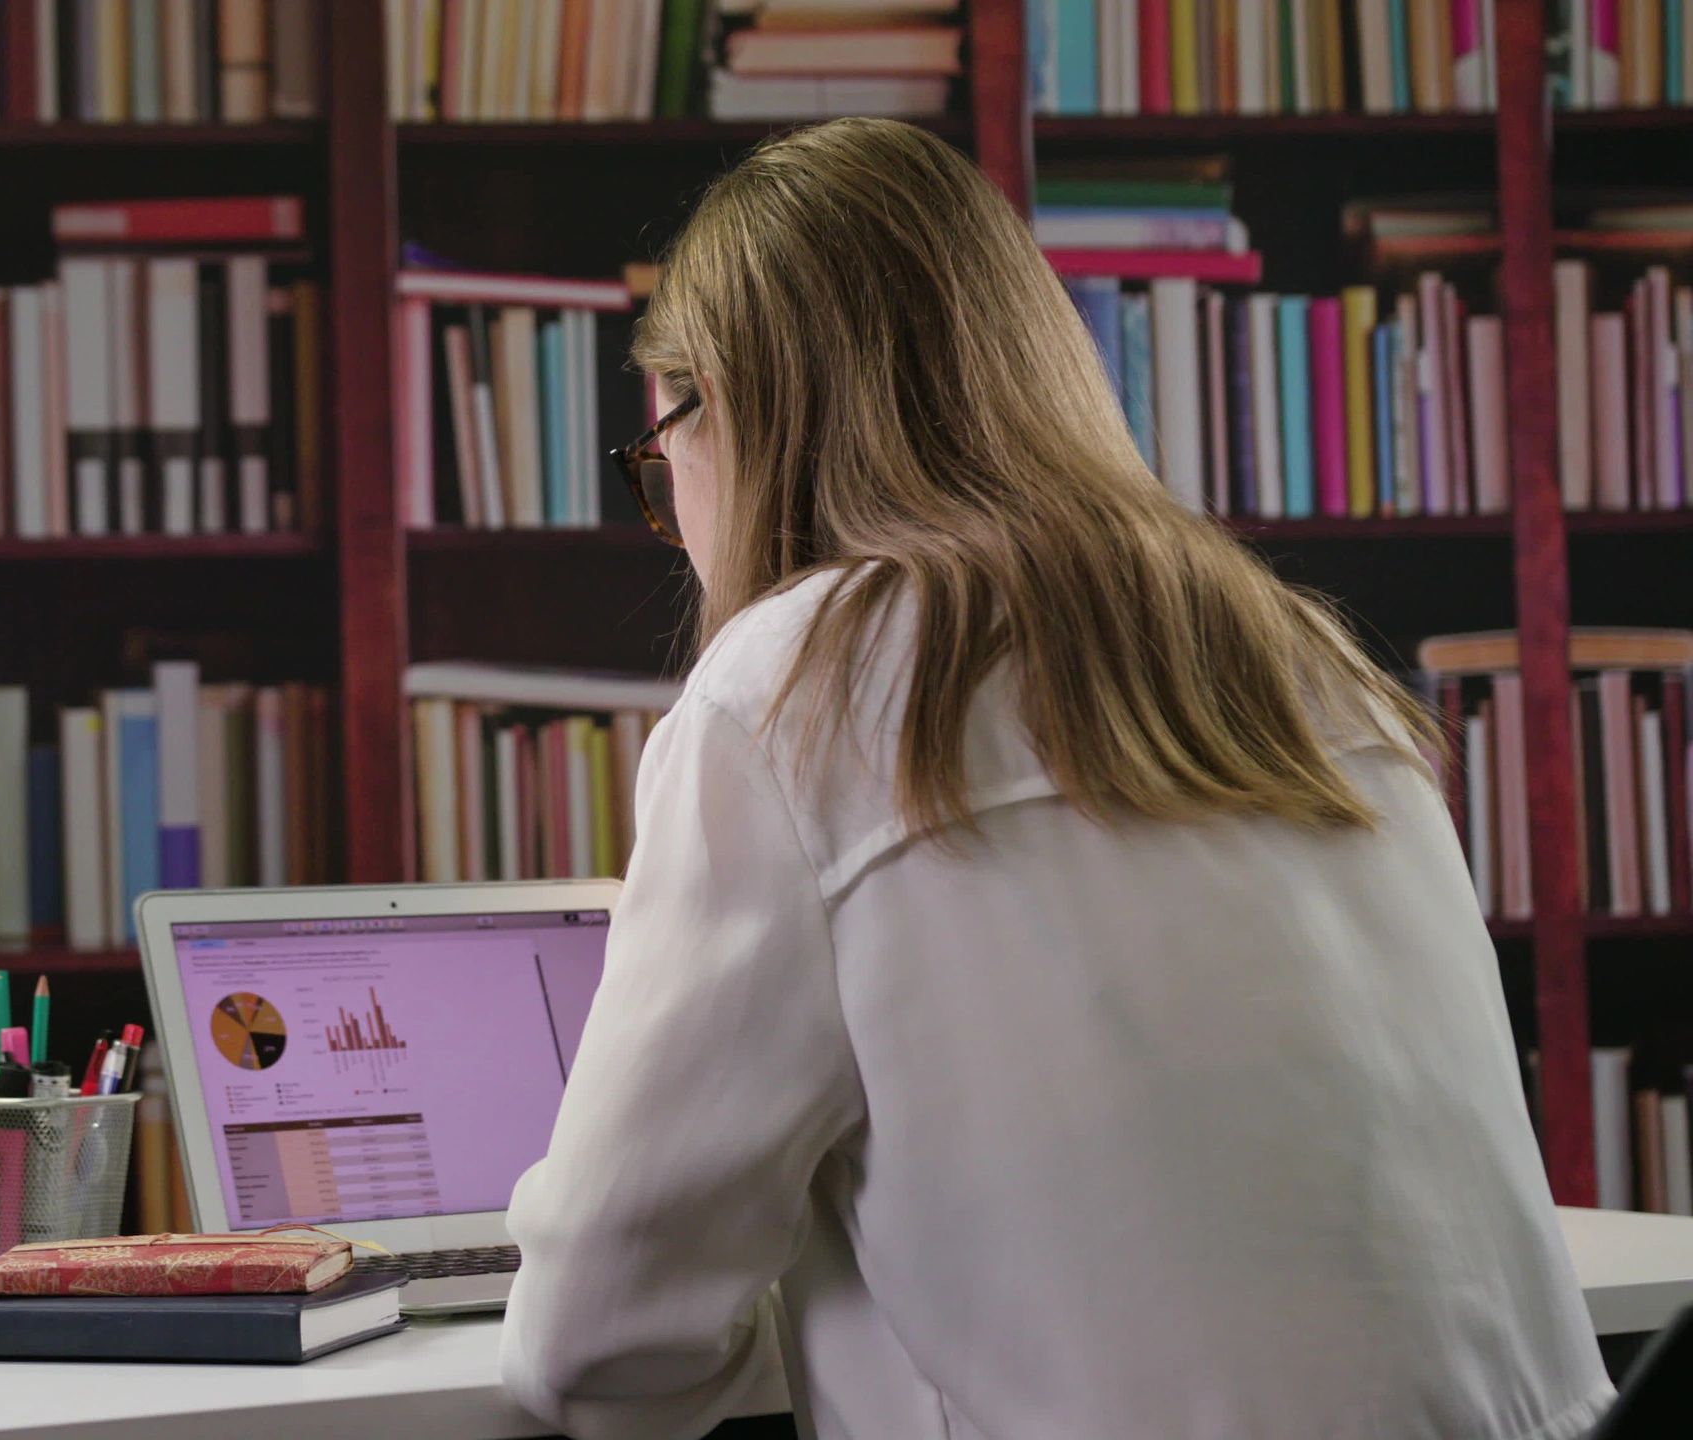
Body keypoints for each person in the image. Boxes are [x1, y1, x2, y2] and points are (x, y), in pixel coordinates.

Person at [498, 118, 1611, 1440]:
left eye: (657, 462)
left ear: (729, 414)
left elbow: (598, 1346)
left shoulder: (788, 690)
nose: (674, 517)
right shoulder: (1305, 654)